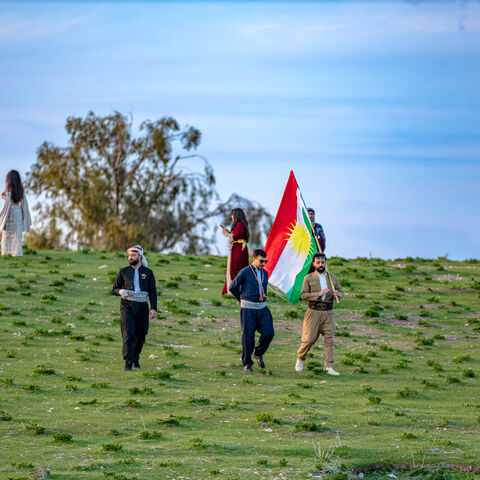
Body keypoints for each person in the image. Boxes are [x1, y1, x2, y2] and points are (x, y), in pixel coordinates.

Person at [295, 253, 343, 375]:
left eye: (323, 262)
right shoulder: (309, 278)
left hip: (329, 312)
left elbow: (341, 292)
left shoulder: (332, 278)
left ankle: (328, 366)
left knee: (329, 339)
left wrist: (338, 294)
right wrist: (318, 294)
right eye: (318, 262)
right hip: (313, 312)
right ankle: (300, 357)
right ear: (314, 264)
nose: (321, 264)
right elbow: (303, 295)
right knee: (309, 339)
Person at [112, 245, 157, 371]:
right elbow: (114, 289)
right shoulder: (123, 272)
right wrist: (120, 291)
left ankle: (136, 357)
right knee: (129, 334)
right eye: (129, 255)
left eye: (133, 255)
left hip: (142, 306)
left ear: (140, 256)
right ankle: (128, 362)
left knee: (142, 334)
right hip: (127, 306)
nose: (130, 258)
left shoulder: (148, 273)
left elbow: (152, 292)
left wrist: (153, 308)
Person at [229, 248, 274, 372]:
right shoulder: (245, 272)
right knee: (248, 337)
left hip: (262, 308)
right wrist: (241, 298)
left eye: (265, 261)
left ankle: (258, 353)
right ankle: (247, 363)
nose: (263, 264)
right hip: (248, 308)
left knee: (269, 333)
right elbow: (232, 287)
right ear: (254, 259)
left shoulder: (265, 273)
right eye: (261, 261)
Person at [0, 170, 31, 256]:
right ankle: (17, 252)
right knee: (17, 233)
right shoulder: (20, 188)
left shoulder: (8, 188)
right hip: (18, 211)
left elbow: (5, 197)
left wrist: (3, 196)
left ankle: (7, 252)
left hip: (10, 212)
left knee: (8, 232)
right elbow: (22, 201)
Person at [221, 208, 250, 295]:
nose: (231, 216)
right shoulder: (239, 225)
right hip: (238, 248)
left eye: (232, 215)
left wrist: (227, 233)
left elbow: (236, 236)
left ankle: (236, 290)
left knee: (236, 268)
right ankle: (235, 289)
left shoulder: (240, 225)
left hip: (239, 249)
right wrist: (228, 233)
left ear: (236, 216)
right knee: (236, 268)